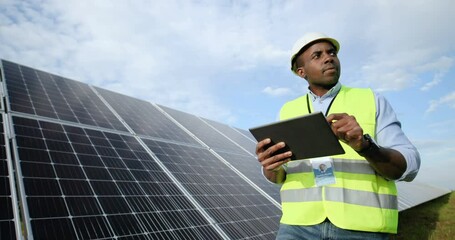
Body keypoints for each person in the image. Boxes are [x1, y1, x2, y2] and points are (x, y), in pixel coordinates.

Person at [255, 32, 421, 239]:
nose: (328, 57)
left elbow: (410, 166)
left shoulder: (370, 100)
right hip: (297, 226)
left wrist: (365, 146)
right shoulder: (287, 111)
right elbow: (279, 176)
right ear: (301, 71)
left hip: (362, 228)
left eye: (331, 52)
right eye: (317, 55)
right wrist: (271, 166)